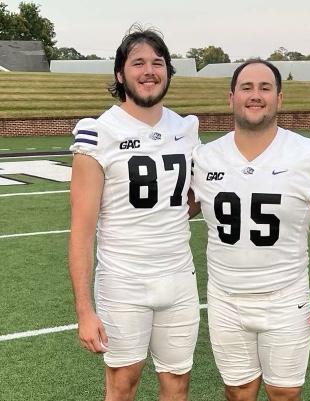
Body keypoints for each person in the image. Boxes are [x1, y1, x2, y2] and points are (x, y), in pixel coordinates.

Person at [191, 59, 310, 401]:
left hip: (285, 295)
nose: (255, 95)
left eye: (265, 88)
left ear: (279, 98)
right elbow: (173, 212)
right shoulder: (204, 158)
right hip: (225, 297)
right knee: (238, 392)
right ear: (231, 98)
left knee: (285, 393)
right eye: (246, 87)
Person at [68, 26, 200, 401]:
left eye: (157, 62)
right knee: (123, 383)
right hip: (123, 282)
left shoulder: (185, 128)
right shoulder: (99, 133)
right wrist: (84, 311)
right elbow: (81, 232)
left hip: (179, 277)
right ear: (120, 73)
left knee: (178, 384)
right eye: (138, 62)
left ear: (168, 71)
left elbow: (191, 199)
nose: (149, 71)